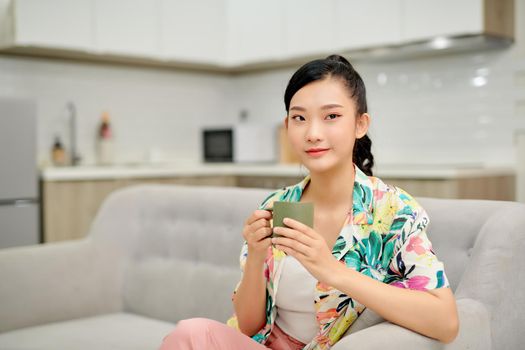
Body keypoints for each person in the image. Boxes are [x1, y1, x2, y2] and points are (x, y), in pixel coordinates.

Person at [159, 54, 459, 350]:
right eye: (299, 118)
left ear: (360, 124)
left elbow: (445, 322)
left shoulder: (393, 211)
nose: (313, 134)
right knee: (189, 333)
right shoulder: (279, 204)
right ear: (287, 126)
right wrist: (255, 257)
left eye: (331, 116)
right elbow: (249, 325)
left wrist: (333, 270)